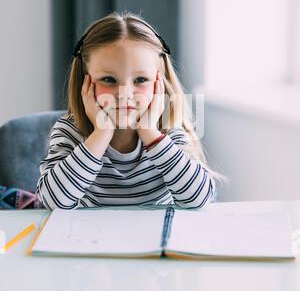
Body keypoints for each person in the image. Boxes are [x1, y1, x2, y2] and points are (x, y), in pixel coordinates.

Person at [36, 11, 220, 210]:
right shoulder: (69, 131)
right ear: (85, 82)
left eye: (140, 80)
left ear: (159, 84)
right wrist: (101, 133)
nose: (125, 94)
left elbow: (198, 199)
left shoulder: (168, 129)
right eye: (109, 79)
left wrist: (150, 132)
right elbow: (53, 201)